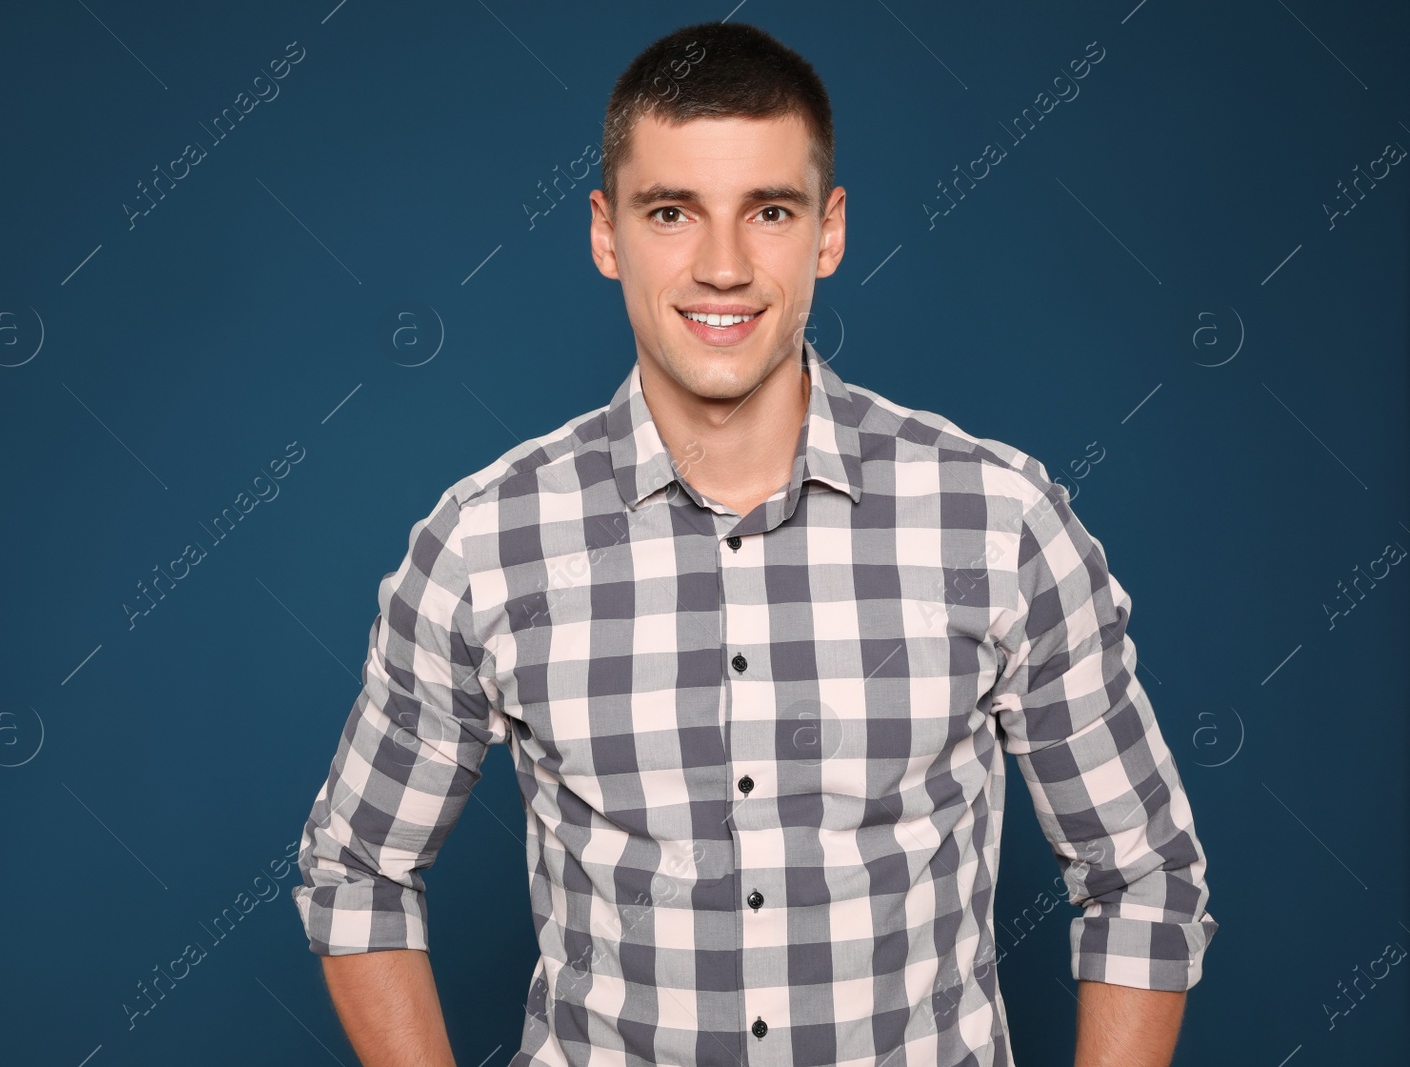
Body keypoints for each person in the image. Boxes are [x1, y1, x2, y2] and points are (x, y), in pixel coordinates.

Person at [291, 20, 1217, 1067]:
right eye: (671, 211)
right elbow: (356, 869)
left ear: (827, 231)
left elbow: (1140, 874)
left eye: (767, 211)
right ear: (606, 234)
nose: (721, 266)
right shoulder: (486, 542)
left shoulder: (996, 519)